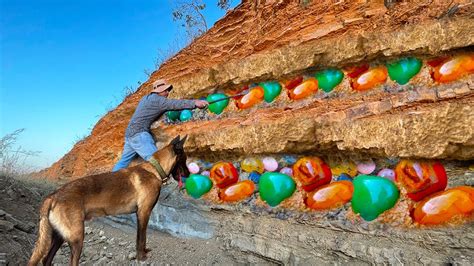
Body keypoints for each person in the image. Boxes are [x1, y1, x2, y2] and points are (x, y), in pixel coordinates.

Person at [112, 79, 208, 171]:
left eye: (168, 90)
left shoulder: (145, 98)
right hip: (139, 134)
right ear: (159, 91)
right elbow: (175, 104)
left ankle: (111, 181)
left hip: (130, 134)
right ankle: (162, 184)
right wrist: (195, 103)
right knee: (158, 162)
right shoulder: (158, 100)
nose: (167, 92)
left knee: (123, 162)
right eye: (165, 90)